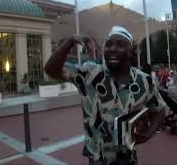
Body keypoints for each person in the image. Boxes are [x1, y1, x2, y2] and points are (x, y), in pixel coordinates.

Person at [44, 26, 166, 165]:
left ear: (131, 51)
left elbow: (160, 110)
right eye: (108, 44)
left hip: (127, 157)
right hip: (97, 159)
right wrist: (70, 41)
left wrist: (147, 134)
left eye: (120, 44)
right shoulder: (90, 73)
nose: (112, 48)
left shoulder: (144, 80)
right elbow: (51, 70)